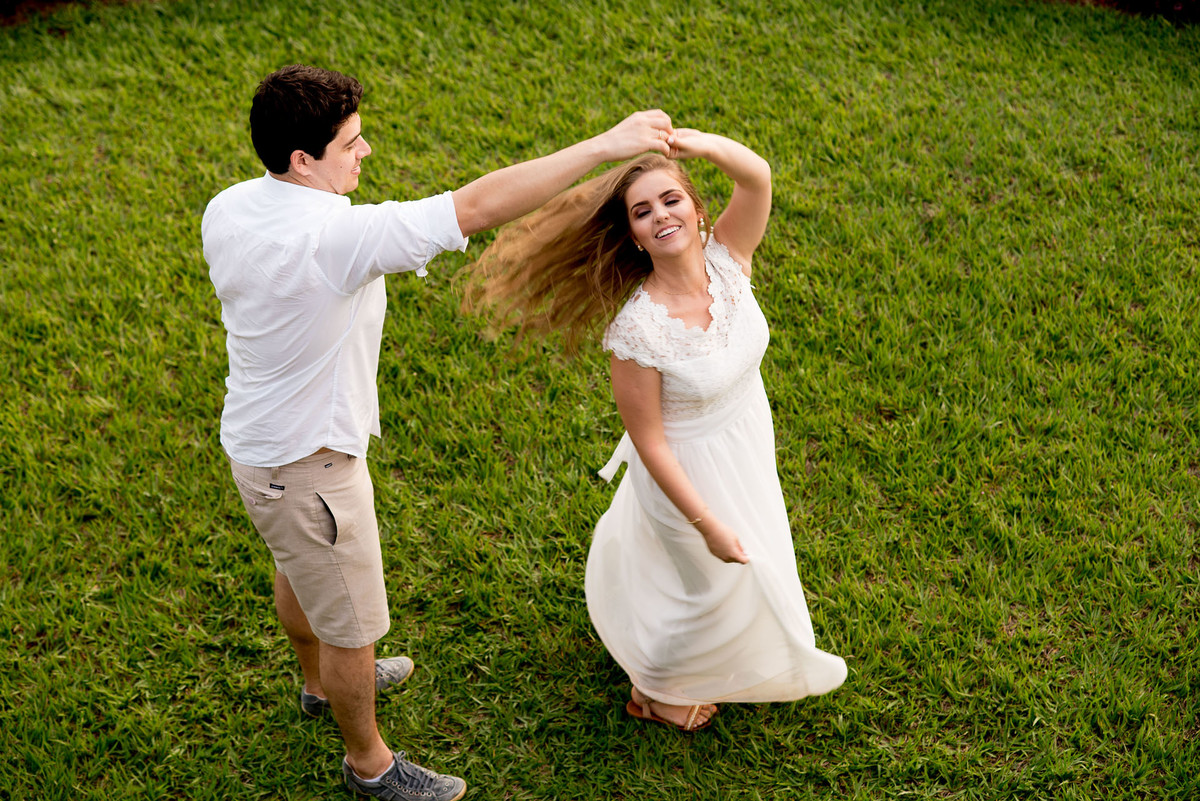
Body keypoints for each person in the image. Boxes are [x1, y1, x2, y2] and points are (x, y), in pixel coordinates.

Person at [202, 64, 674, 799]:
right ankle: (370, 765)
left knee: (297, 567)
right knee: (354, 627)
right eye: (350, 143)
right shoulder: (336, 238)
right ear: (301, 159)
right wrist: (606, 144)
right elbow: (478, 205)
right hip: (311, 471)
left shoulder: (230, 206)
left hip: (257, 452)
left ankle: (318, 685)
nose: (366, 152)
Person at [465, 130, 847, 732]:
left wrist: (699, 145)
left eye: (671, 200)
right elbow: (649, 443)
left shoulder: (729, 259)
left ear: (698, 210)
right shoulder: (637, 332)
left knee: (744, 572)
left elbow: (757, 176)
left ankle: (676, 667)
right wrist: (707, 523)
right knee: (709, 590)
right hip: (684, 472)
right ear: (635, 237)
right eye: (642, 212)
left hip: (744, 443)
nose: (661, 216)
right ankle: (654, 689)